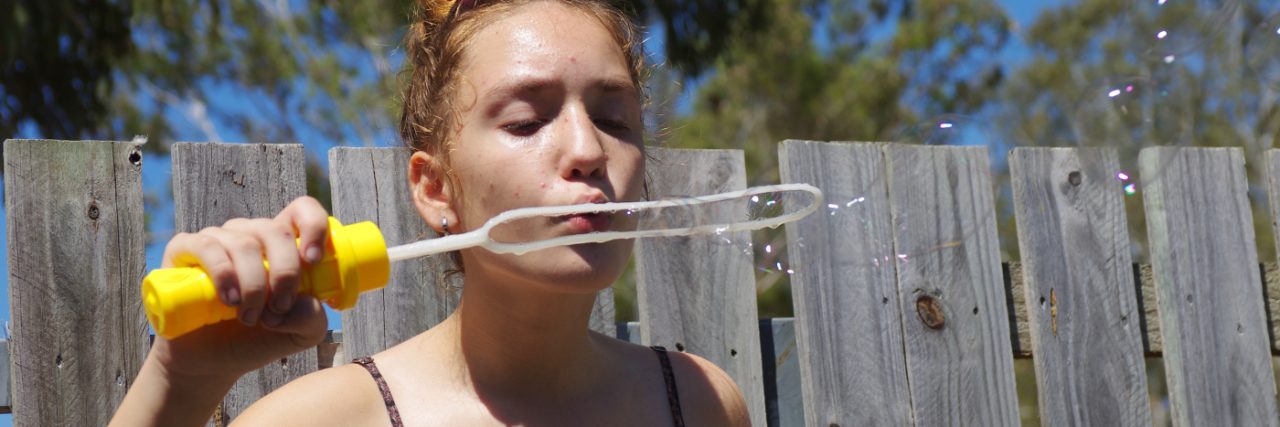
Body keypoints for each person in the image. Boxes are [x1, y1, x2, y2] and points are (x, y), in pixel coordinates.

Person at [110, 0, 751, 425]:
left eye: (615, 120)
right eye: (527, 121)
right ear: (435, 189)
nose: (588, 151)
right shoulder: (322, 420)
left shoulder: (700, 402)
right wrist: (181, 380)